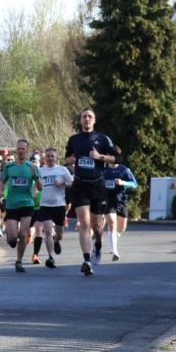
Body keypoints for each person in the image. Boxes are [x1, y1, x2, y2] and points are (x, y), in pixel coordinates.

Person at [64, 108, 119, 276]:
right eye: (84, 117)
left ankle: (99, 244)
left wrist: (100, 157)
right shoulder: (74, 139)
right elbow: (67, 157)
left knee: (96, 226)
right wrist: (70, 160)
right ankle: (86, 260)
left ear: (94, 120)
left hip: (97, 186)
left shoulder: (102, 139)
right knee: (84, 223)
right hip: (80, 185)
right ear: (81, 121)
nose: (87, 119)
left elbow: (117, 159)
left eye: (90, 117)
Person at [0, 139, 42, 273]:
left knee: (23, 234)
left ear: (27, 150)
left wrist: (35, 175)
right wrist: (0, 193)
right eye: (19, 148)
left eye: (23, 148)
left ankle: (19, 261)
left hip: (27, 204)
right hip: (12, 204)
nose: (20, 151)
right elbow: (3, 182)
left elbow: (40, 187)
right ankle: (11, 239)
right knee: (12, 238)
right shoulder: (9, 167)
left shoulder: (32, 167)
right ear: (16, 150)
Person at [34, 148, 73, 268]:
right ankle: (50, 257)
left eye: (52, 156)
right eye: (48, 156)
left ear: (56, 157)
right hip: (45, 205)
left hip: (59, 205)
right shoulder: (40, 171)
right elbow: (36, 186)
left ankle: (57, 241)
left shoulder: (62, 170)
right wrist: (34, 195)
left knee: (59, 234)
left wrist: (62, 183)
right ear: (44, 158)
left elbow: (72, 184)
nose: (50, 158)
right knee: (47, 231)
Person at [102, 159, 137, 260]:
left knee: (121, 228)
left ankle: (114, 238)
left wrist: (123, 182)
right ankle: (115, 251)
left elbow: (134, 184)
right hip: (108, 200)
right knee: (112, 223)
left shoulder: (124, 170)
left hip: (121, 201)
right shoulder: (103, 170)